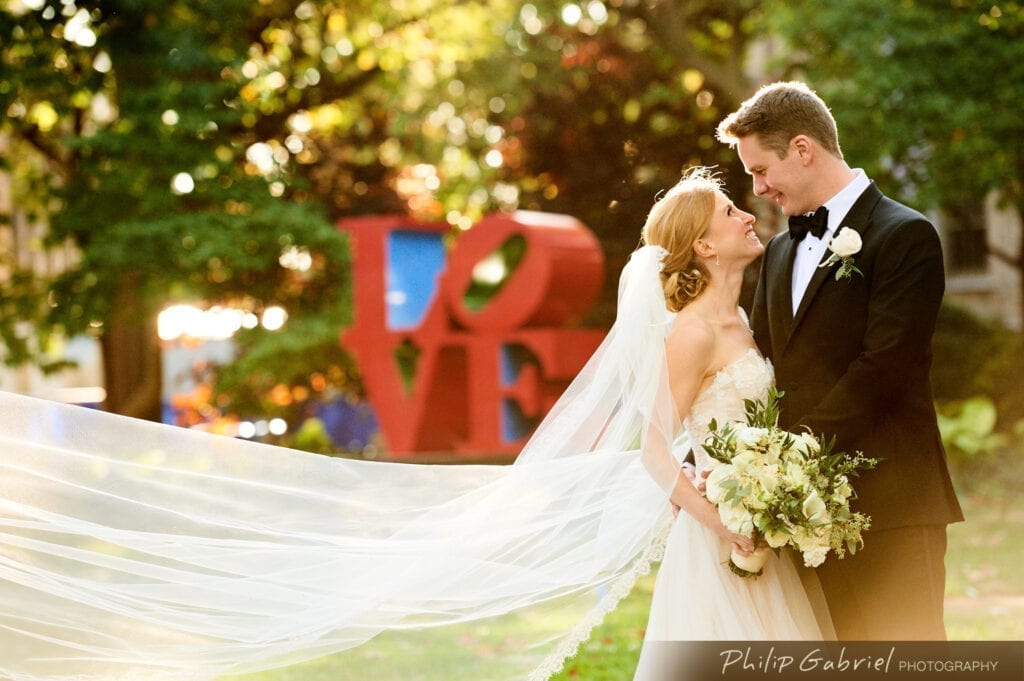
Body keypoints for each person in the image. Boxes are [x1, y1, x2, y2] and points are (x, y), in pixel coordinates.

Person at [715, 81, 964, 640]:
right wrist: (739, 460)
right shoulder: (779, 249)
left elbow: (886, 366)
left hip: (893, 505)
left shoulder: (906, 235)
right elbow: (765, 367)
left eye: (760, 170)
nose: (758, 189)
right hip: (802, 518)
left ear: (802, 149)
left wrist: (793, 454)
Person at [630, 170, 827, 679]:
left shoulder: (739, 317)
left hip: (762, 526)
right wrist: (719, 520)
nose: (746, 215)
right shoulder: (693, 333)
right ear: (704, 247)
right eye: (729, 212)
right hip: (720, 540)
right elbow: (652, 444)